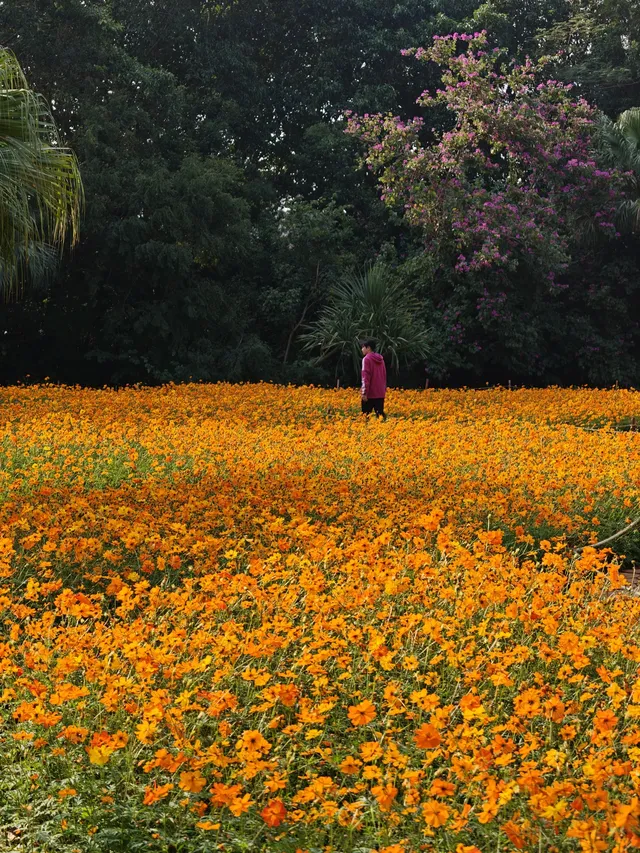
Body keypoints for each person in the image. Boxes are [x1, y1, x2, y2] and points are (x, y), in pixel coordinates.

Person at [360, 338, 387, 418]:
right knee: (380, 417)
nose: (362, 349)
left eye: (363, 347)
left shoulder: (366, 359)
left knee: (365, 417)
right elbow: (384, 375)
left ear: (368, 348)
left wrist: (364, 393)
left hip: (370, 393)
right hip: (380, 393)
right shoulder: (381, 359)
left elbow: (365, 377)